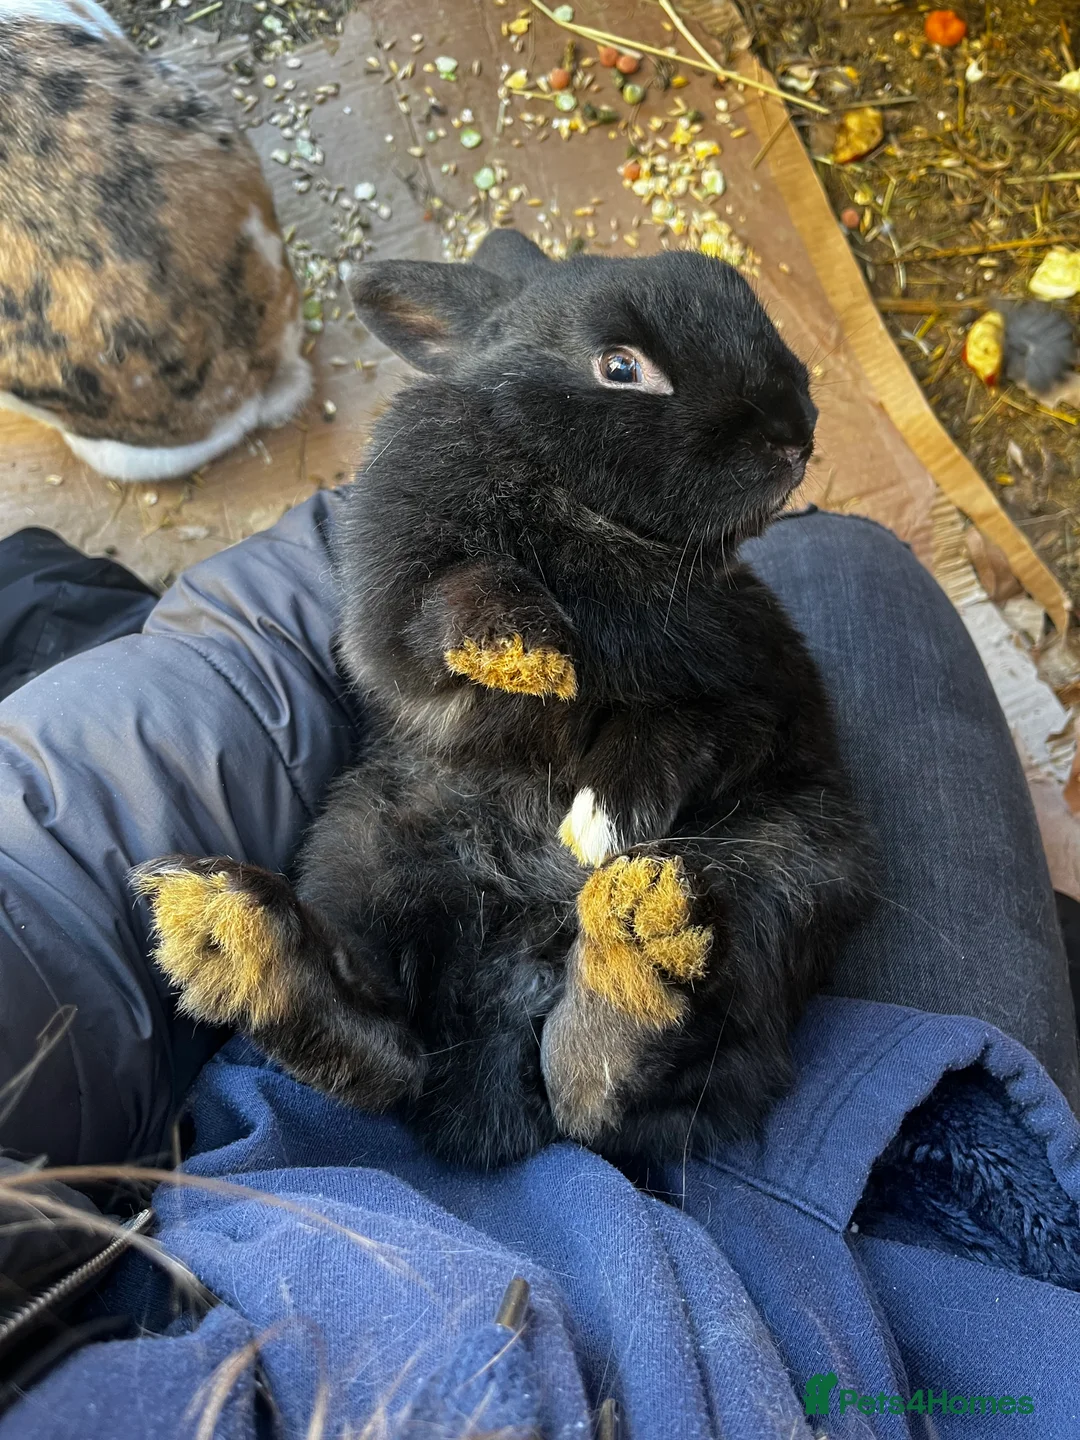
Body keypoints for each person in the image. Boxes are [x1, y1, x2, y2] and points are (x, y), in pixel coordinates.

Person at [1, 496, 1078, 1438]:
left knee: (62, 608)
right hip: (852, 1320)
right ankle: (602, 1030)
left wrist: (400, 543)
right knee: (842, 562)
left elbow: (53, 892)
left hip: (308, 1188)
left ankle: (371, 1001)